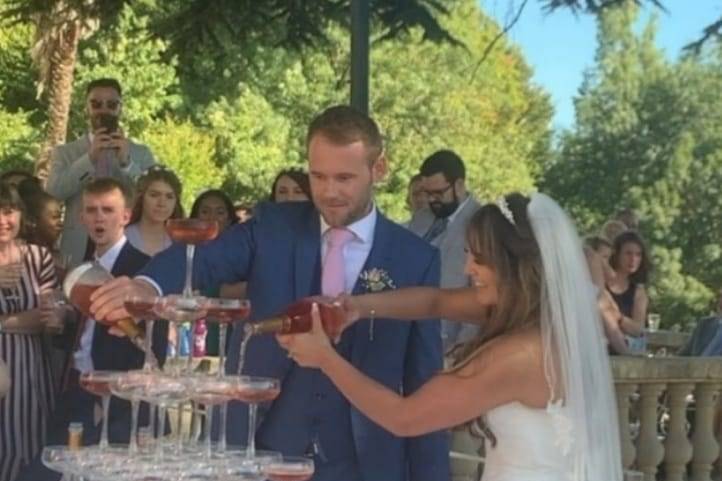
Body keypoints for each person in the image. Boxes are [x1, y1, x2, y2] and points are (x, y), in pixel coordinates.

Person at [90, 105, 450, 481]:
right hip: (258, 451)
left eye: (345, 178)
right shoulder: (273, 225)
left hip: (365, 463)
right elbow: (205, 259)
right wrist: (145, 285)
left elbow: (425, 384)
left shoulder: (415, 259)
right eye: (318, 176)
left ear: (378, 169)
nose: (329, 192)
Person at [280, 192, 623, 481]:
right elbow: (435, 301)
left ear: (515, 266)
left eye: (481, 259)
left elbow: (406, 417)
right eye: (468, 255)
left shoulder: (520, 356)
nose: (467, 269)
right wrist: (354, 305)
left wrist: (325, 358)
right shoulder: (539, 318)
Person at [15, 178, 167, 481]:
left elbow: (153, 346)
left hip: (115, 402)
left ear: (125, 216)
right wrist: (61, 322)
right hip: (73, 391)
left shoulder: (146, 271)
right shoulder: (79, 268)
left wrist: (113, 400)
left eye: (108, 210)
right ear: (81, 217)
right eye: (92, 210)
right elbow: (80, 337)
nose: (99, 218)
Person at [46, 78, 156, 269]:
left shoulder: (140, 153)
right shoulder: (66, 153)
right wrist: (89, 159)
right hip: (78, 245)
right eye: (96, 104)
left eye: (111, 105)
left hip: (127, 243)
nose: (103, 110)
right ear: (86, 108)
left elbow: (152, 196)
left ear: (120, 108)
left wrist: (126, 163)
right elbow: (54, 191)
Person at [0, 183, 59, 481]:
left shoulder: (38, 258)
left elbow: (46, 318)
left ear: (21, 215)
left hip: (28, 371)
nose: (2, 220)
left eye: (8, 211)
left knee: (28, 448)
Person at [408, 150, 482, 352]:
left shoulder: (481, 223)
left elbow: (483, 293)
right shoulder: (421, 218)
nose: (432, 200)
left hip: (451, 342)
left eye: (439, 193)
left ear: (458, 185)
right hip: (411, 333)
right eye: (427, 193)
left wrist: (464, 348)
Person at [189, 189, 242, 355]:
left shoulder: (242, 252)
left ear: (229, 218)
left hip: (231, 331)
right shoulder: (186, 251)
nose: (212, 217)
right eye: (205, 212)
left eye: (220, 212)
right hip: (191, 331)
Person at [126, 166, 183, 256]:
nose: (162, 203)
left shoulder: (181, 242)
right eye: (154, 195)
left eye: (169, 197)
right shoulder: (123, 238)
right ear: (141, 197)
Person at [606, 231, 651, 339]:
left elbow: (638, 329)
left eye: (638, 255)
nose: (633, 259)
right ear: (617, 254)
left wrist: (617, 317)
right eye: (628, 253)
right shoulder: (601, 282)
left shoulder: (638, 291)